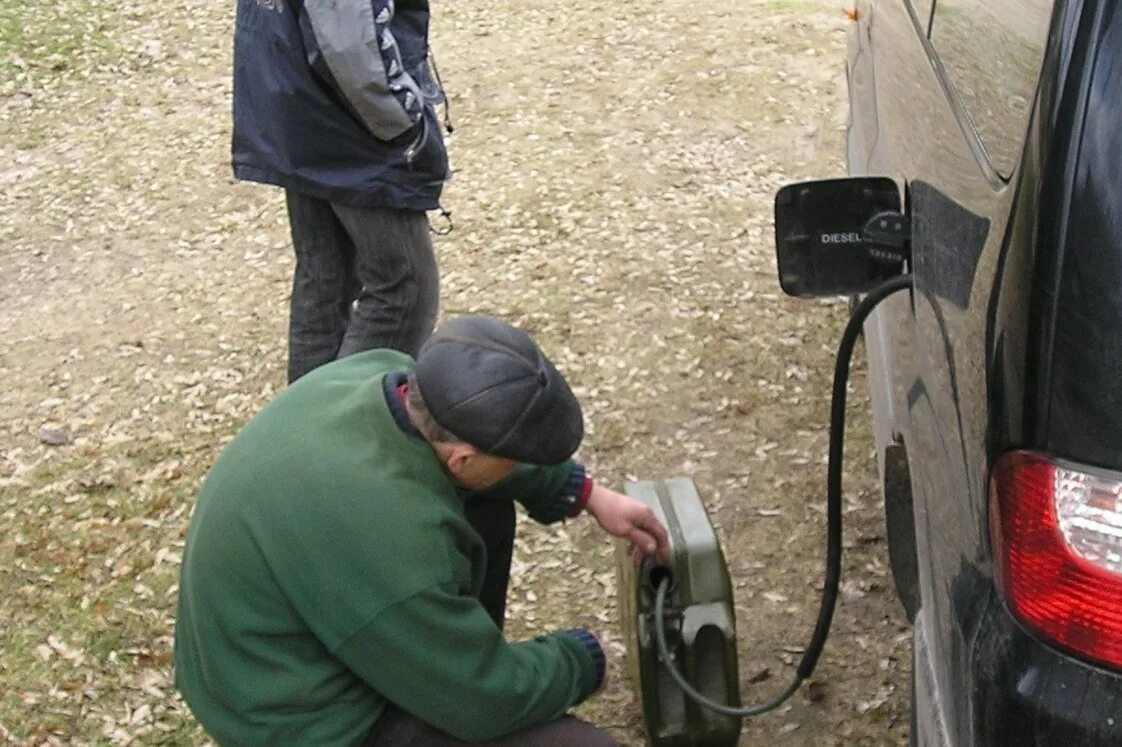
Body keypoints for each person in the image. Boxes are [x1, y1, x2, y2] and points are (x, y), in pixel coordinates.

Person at [174, 315, 671, 746]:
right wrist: (581, 660)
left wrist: (586, 494)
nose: (519, 465)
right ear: (463, 458)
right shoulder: (393, 539)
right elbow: (484, 701)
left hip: (270, 645)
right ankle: (442, 670)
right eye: (515, 459)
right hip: (291, 718)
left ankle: (443, 657)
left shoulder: (384, 376)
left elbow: (480, 452)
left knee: (488, 508)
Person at [232, 0, 452, 383]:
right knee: (403, 288)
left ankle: (303, 430)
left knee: (325, 276)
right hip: (349, 119)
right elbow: (350, 46)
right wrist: (405, 118)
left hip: (295, 91)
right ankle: (348, 429)